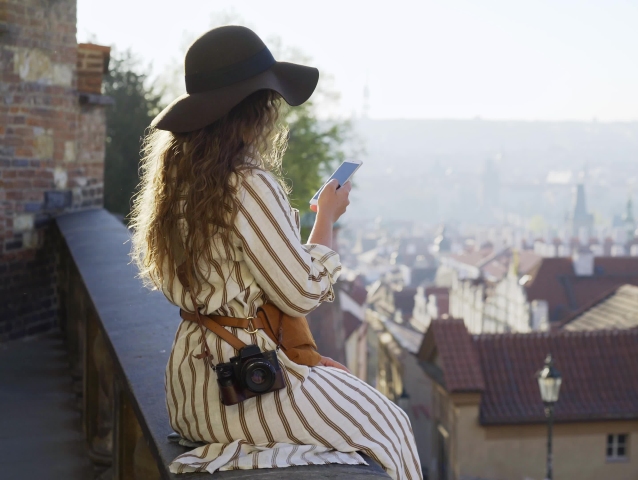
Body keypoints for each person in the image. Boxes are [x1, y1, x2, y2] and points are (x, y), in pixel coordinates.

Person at [128, 25, 421, 479]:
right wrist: (325, 220)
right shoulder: (246, 182)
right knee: (389, 424)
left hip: (192, 387)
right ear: (253, 109)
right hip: (242, 388)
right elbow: (300, 292)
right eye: (270, 102)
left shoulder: (175, 181)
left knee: (348, 392)